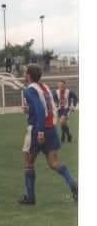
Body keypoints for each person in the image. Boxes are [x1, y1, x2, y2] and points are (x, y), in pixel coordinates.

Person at [19, 65, 78, 205]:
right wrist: (30, 110)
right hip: (51, 129)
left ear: (28, 75)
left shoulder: (30, 90)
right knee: (54, 163)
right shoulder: (44, 87)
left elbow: (40, 109)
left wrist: (39, 131)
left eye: (24, 72)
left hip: (37, 129)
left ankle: (30, 197)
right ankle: (74, 184)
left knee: (28, 163)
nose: (23, 74)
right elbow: (47, 107)